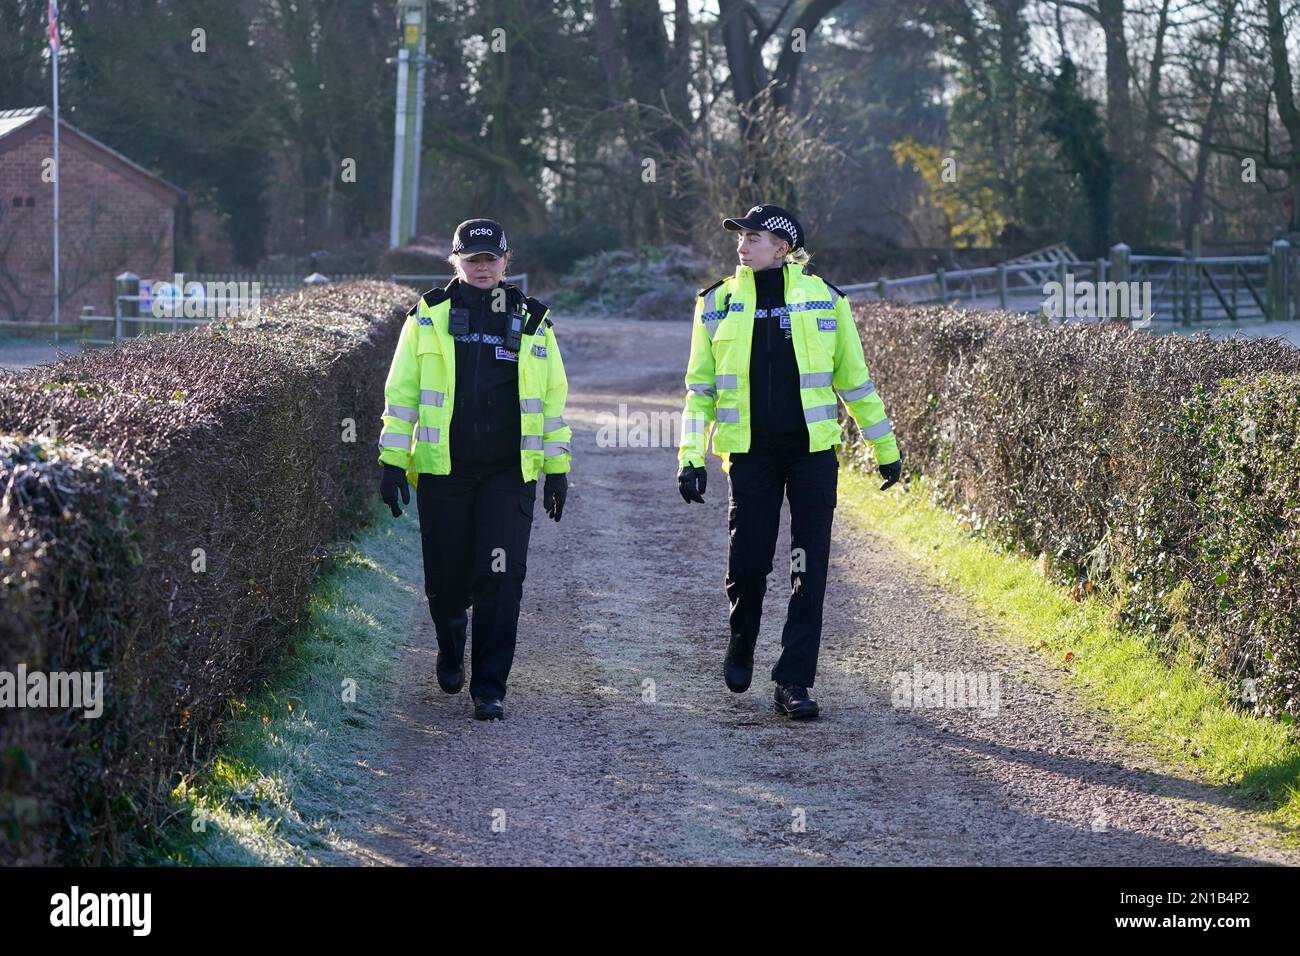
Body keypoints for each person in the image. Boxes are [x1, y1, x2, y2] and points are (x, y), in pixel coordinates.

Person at [676, 203, 903, 720]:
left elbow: (855, 381)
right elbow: (700, 390)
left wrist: (885, 448)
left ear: (782, 247)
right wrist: (690, 456)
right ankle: (742, 638)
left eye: (753, 237)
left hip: (812, 455)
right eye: (740, 237)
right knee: (750, 560)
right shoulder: (715, 303)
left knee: (810, 567)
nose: (742, 245)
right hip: (750, 454)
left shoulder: (826, 300)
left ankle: (793, 681)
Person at [377, 218, 572, 720]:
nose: (482, 268)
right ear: (456, 262)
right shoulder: (427, 316)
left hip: (509, 474)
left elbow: (551, 404)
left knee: (501, 578)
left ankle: (490, 686)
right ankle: (450, 637)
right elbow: (401, 398)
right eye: (472, 259)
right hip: (445, 470)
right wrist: (393, 461)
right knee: (445, 577)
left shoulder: (533, 321)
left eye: (490, 259)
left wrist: (557, 469)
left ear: (507, 261)